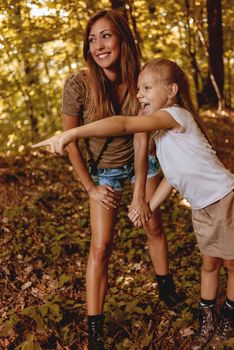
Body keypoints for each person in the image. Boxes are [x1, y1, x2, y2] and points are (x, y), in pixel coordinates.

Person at [33, 57, 234, 350]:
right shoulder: (163, 136)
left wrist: (72, 133)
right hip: (201, 206)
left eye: (147, 87)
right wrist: (148, 206)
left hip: (224, 197)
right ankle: (208, 316)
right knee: (209, 263)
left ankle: (228, 313)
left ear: (172, 90)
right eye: (138, 88)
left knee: (230, 262)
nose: (140, 94)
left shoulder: (175, 116)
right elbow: (173, 179)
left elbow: (125, 124)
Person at [36, 11, 182, 350]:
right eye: (92, 39)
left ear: (122, 39)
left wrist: (140, 194)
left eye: (106, 36)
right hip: (105, 172)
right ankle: (95, 331)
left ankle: (167, 291)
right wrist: (91, 187)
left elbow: (142, 135)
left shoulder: (141, 78)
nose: (99, 45)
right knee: (100, 247)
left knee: (153, 226)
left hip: (141, 161)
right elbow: (70, 139)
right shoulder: (78, 84)